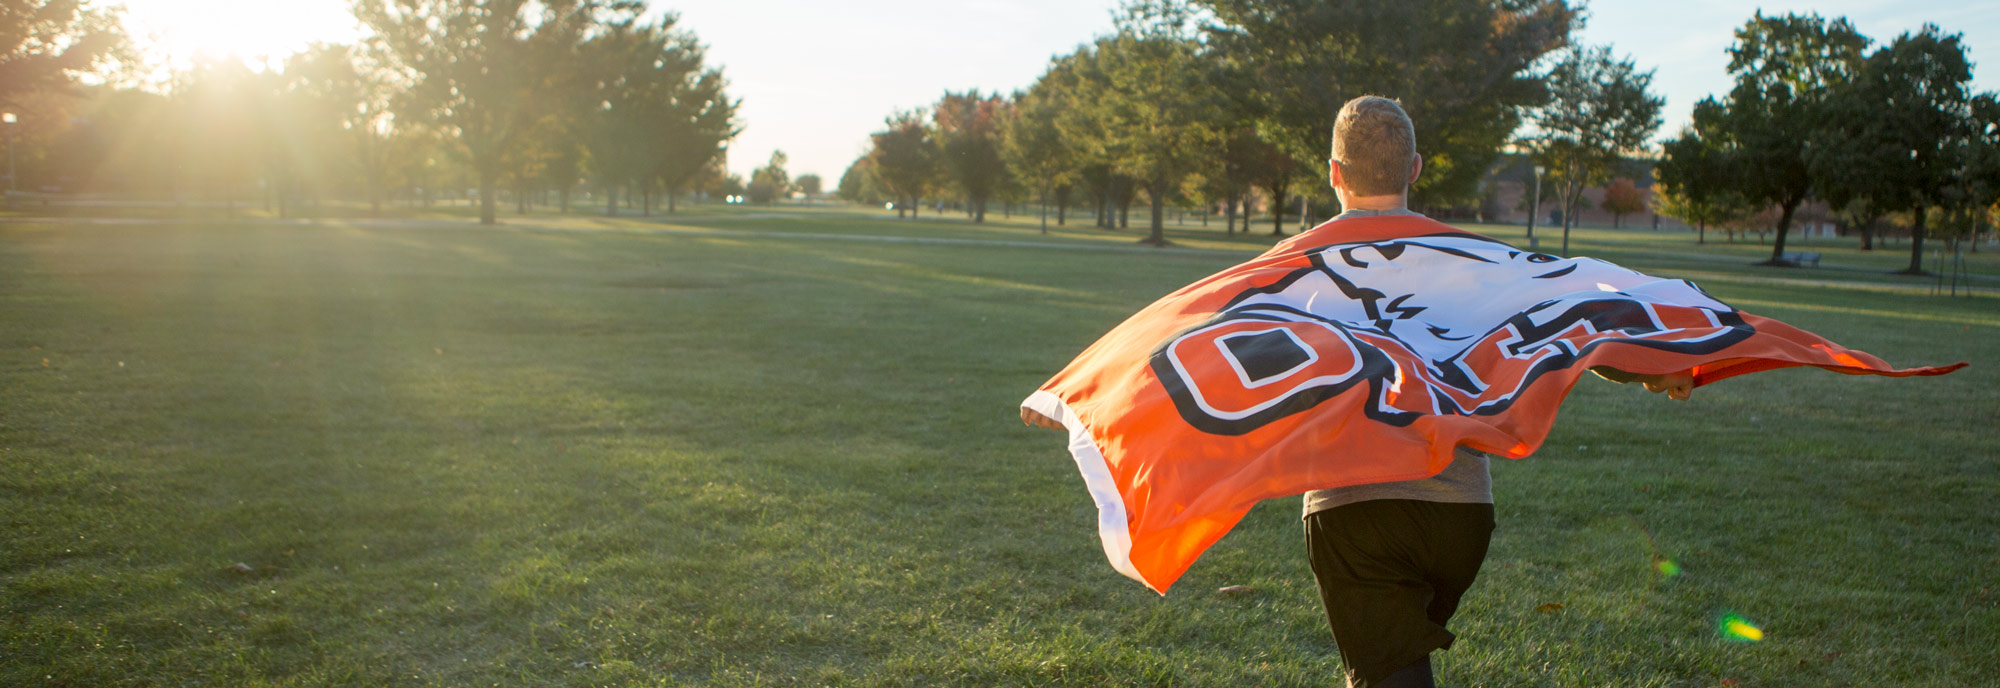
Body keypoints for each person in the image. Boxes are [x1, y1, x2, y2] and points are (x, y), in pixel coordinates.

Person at [1022, 95, 1692, 688]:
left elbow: (1188, 338)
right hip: (1463, 519)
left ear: (1334, 173)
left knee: (1385, 671)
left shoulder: (1293, 264)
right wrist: (1653, 368)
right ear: (1416, 170)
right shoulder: (1471, 258)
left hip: (1355, 516)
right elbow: (1566, 326)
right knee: (1377, 666)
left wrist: (1087, 403)